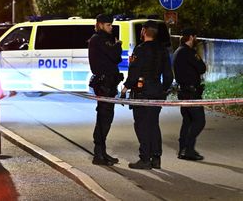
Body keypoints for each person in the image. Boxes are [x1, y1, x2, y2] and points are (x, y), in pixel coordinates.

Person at [121, 20, 173, 170]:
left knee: (142, 125)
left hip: (142, 91)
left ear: (143, 31)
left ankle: (145, 159)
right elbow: (169, 75)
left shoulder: (140, 49)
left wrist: (125, 89)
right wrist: (163, 89)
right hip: (156, 90)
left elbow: (134, 73)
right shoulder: (162, 50)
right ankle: (156, 158)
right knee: (154, 124)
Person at [88, 14, 123, 166]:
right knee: (103, 118)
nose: (111, 27)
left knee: (107, 118)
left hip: (109, 84)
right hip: (104, 84)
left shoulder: (105, 39)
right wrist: (118, 45)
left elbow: (116, 58)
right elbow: (115, 56)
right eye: (109, 25)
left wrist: (115, 46)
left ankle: (102, 152)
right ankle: (98, 154)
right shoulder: (98, 39)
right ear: (100, 25)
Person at [173, 28, 206, 161]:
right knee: (199, 121)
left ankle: (183, 149)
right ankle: (188, 149)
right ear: (191, 37)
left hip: (184, 92)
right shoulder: (188, 52)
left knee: (187, 121)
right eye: (195, 37)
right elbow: (202, 68)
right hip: (192, 93)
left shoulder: (178, 51)